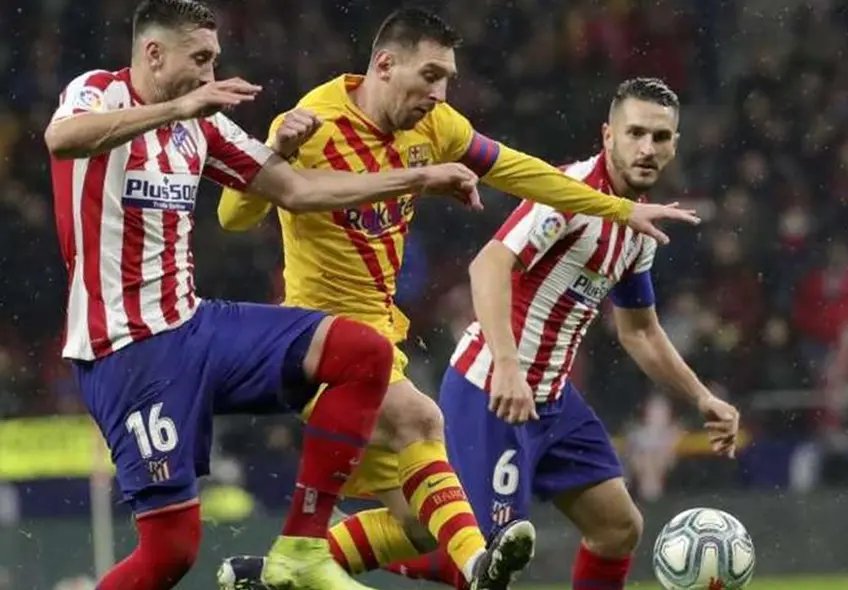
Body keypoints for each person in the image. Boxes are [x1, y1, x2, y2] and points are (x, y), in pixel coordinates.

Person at [213, 8, 700, 590]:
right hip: (319, 341)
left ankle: (267, 576)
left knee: (422, 526)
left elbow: (516, 171)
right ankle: (479, 564)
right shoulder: (313, 121)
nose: (441, 94)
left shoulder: (434, 127)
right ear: (386, 65)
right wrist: (277, 149)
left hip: (381, 338)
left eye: (448, 79)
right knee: (424, 424)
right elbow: (232, 217)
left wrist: (620, 209)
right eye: (431, 76)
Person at [44, 1, 483, 590]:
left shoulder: (201, 124)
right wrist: (180, 106)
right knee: (172, 550)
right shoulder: (97, 92)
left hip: (194, 325)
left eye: (215, 60)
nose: (209, 74)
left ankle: (302, 545)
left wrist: (418, 178)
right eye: (199, 59)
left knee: (362, 354)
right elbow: (62, 139)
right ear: (154, 53)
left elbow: (296, 189)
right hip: (125, 349)